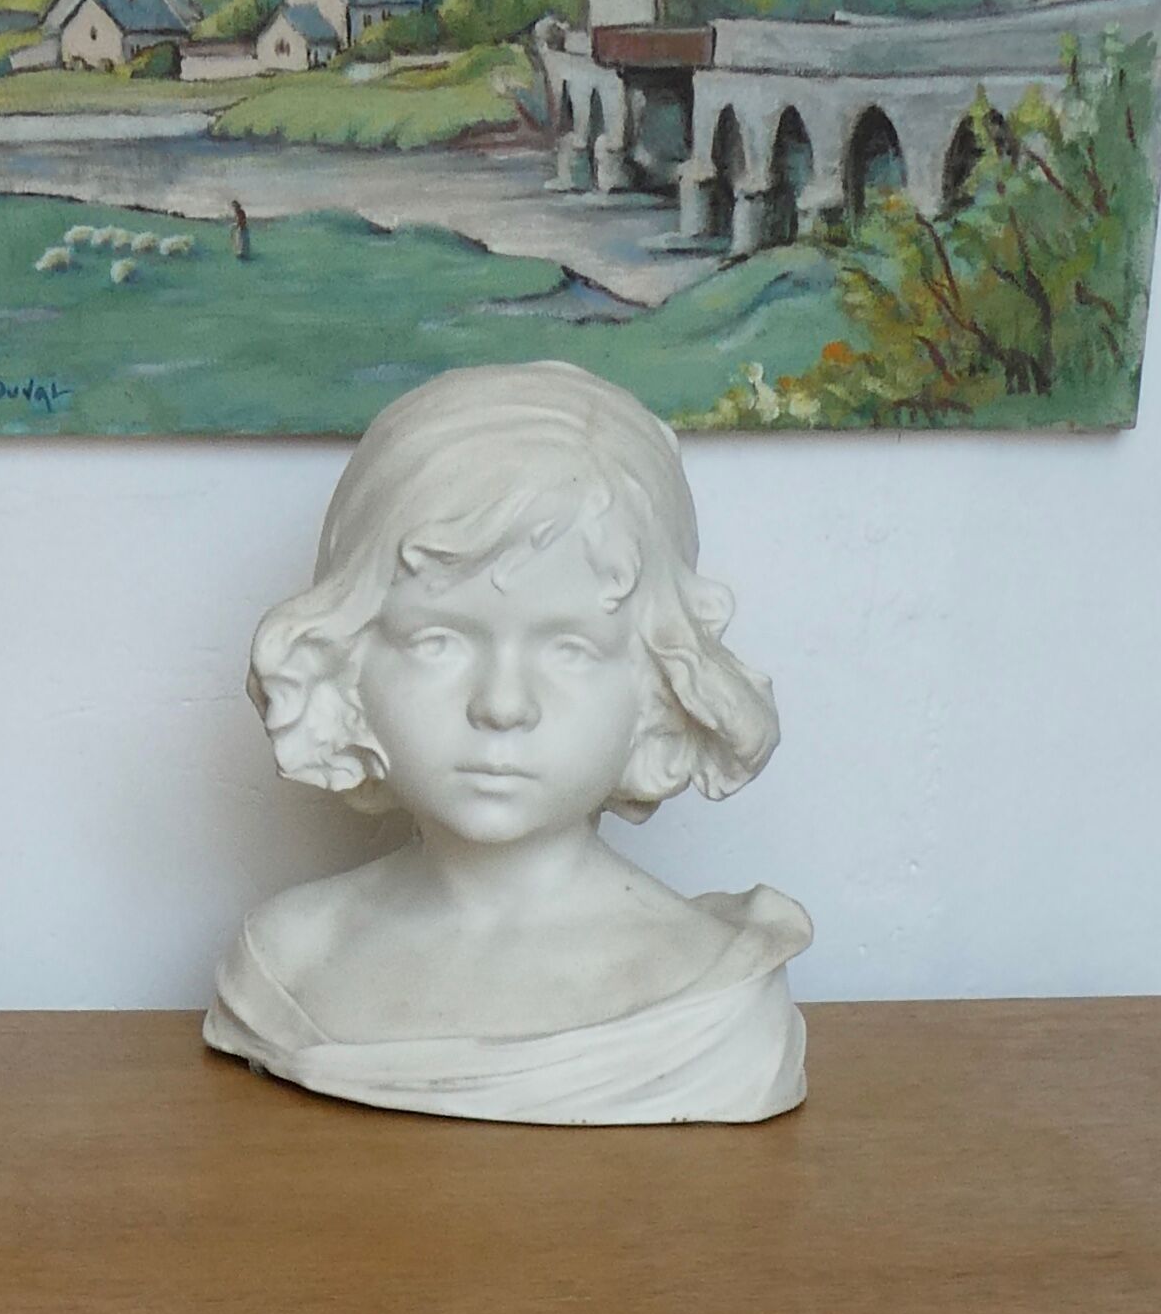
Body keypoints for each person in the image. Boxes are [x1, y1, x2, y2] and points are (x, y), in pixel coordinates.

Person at [206, 361, 810, 1125]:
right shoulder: (283, 964)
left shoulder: (710, 1000)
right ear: (347, 659)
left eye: (569, 648)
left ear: (658, 684)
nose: (501, 705)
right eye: (438, 641)